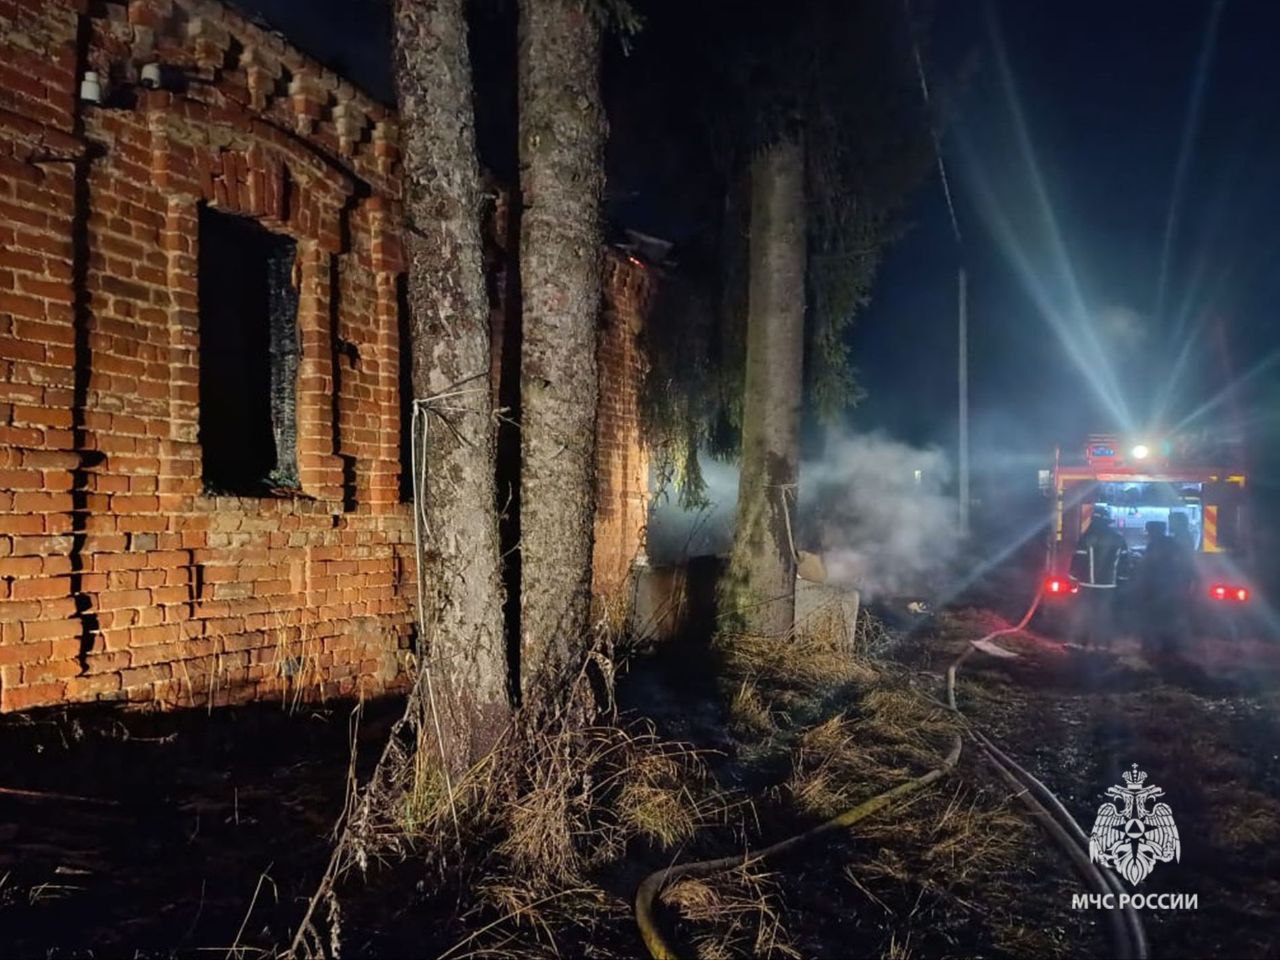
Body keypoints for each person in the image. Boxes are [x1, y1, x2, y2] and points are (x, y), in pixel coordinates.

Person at [1069, 506, 1128, 650]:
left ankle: (1079, 643)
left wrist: (1073, 577)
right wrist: (1121, 580)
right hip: (1108, 586)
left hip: (1087, 585)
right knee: (1104, 615)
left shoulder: (1086, 537)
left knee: (1084, 613)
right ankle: (1102, 645)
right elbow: (1124, 563)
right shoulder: (1119, 539)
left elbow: (1078, 560)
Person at [1136, 520, 1180, 655]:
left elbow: (1147, 566)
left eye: (1148, 531)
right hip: (1170, 587)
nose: (1147, 534)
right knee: (1169, 617)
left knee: (1150, 617)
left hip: (1154, 588)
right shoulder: (1173, 544)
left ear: (1153, 531)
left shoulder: (1153, 546)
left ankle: (1149, 646)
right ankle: (1169, 646)